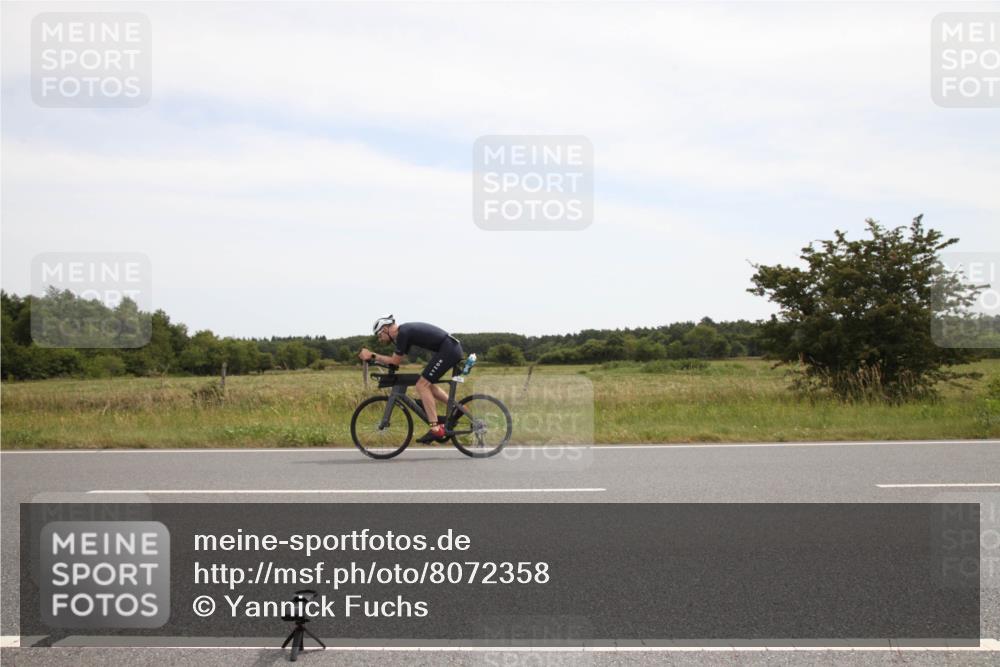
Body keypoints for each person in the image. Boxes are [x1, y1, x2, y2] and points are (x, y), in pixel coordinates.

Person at [359, 315, 463, 443]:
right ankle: (457, 408)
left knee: (421, 385)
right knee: (426, 383)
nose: (380, 339)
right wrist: (375, 358)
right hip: (450, 348)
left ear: (385, 329)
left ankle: (435, 429)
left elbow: (394, 361)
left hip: (449, 349)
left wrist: (373, 355)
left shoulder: (403, 333)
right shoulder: (403, 333)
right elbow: (395, 363)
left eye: (380, 335)